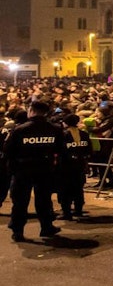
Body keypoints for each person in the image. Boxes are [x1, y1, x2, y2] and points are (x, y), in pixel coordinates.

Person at [4, 101, 65, 242]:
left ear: (30, 110)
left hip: (22, 170)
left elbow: (8, 151)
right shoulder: (55, 129)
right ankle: (46, 227)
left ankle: (17, 230)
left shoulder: (19, 129)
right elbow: (61, 150)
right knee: (44, 200)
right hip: (45, 169)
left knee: (20, 202)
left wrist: (12, 169)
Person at [57, 114, 92, 220]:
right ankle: (78, 210)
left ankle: (66, 212)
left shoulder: (63, 135)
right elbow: (89, 150)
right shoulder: (84, 134)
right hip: (80, 166)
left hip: (65, 167)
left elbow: (59, 151)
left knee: (65, 189)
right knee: (78, 189)